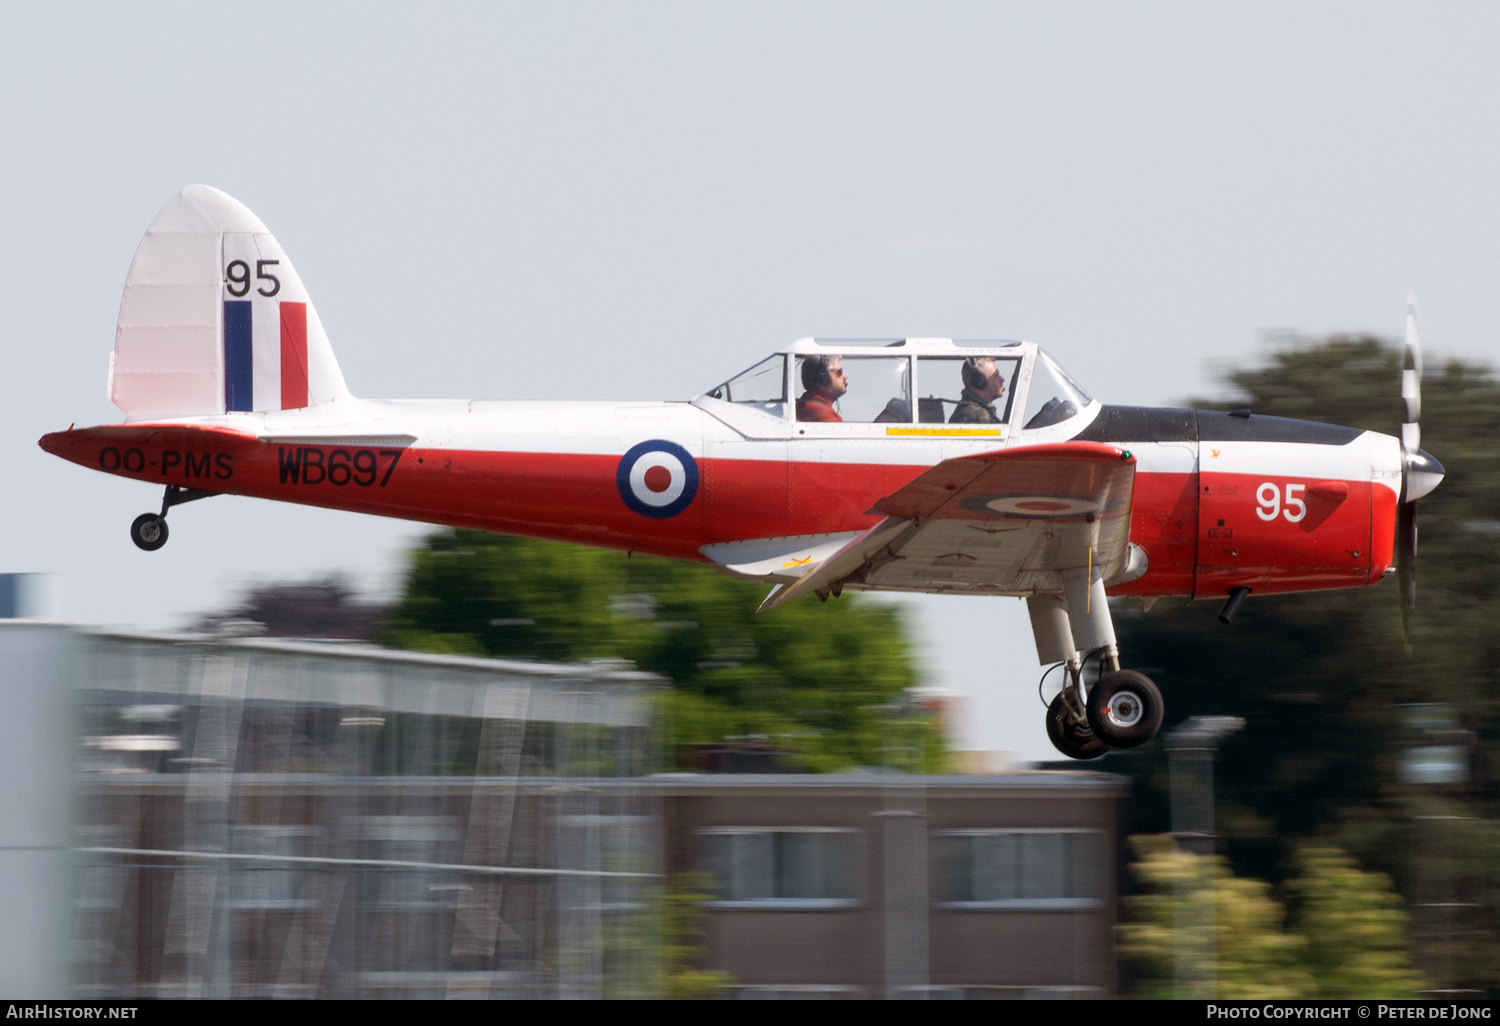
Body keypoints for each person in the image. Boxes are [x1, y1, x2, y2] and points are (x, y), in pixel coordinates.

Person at [949, 357, 1005, 424]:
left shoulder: (979, 412)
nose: (1002, 379)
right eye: (996, 375)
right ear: (979, 380)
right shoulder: (976, 417)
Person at [796, 355, 847, 422]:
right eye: (839, 372)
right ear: (823, 377)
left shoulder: (803, 405)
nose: (845, 376)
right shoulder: (825, 415)